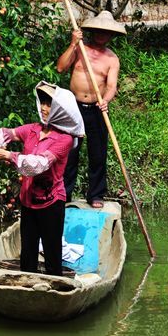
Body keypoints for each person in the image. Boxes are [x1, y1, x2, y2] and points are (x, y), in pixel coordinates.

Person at [0, 82, 84, 276]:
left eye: (49, 104)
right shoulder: (32, 129)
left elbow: (39, 164)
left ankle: (54, 293)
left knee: (52, 254)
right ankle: (27, 289)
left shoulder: (64, 139)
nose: (43, 108)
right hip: (29, 201)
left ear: (60, 110)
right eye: (43, 103)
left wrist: (9, 156)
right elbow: (2, 135)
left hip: (51, 203)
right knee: (28, 253)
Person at [56, 11, 126, 208]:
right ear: (93, 31)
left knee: (98, 153)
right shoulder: (80, 49)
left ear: (111, 35)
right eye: (99, 31)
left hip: (97, 108)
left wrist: (105, 100)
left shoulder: (112, 59)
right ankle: (64, 193)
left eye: (106, 32)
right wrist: (72, 43)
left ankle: (96, 194)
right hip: (73, 107)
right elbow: (60, 68)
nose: (102, 35)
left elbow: (111, 86)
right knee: (69, 152)